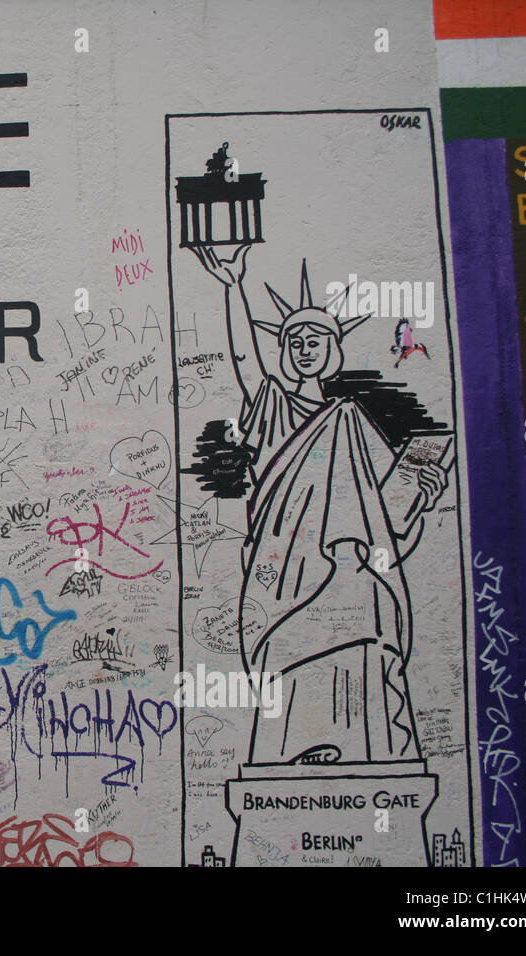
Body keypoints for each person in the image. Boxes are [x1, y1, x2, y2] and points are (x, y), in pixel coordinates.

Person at [190, 244, 447, 766]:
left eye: (316, 340)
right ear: (284, 351)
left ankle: (362, 750)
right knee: (295, 656)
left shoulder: (351, 420)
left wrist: (422, 490)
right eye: (295, 341)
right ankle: (296, 751)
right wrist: (234, 287)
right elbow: (244, 362)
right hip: (287, 571)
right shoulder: (273, 407)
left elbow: (385, 515)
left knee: (356, 651)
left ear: (334, 349)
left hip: (351, 577)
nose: (305, 349)